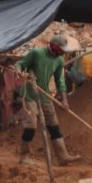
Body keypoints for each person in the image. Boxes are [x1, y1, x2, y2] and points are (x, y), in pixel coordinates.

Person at [16, 34, 81, 166]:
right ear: (54, 46)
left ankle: (63, 156)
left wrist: (64, 100)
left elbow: (60, 80)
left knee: (53, 126)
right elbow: (20, 64)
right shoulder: (36, 53)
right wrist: (19, 71)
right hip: (29, 95)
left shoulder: (59, 60)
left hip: (45, 95)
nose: (63, 52)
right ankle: (24, 156)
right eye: (61, 49)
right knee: (31, 125)